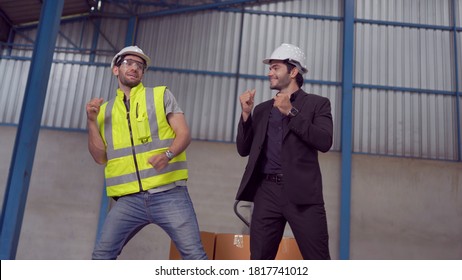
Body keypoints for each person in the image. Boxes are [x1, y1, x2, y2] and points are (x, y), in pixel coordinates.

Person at [86, 45, 207, 260]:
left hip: (169, 194)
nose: (134, 68)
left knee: (194, 257)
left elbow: (184, 134)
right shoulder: (105, 110)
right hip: (128, 200)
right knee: (101, 257)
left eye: (140, 65)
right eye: (128, 63)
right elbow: (99, 157)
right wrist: (92, 122)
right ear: (116, 69)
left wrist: (168, 155)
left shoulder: (160, 95)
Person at [236, 43, 333, 260]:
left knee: (318, 260)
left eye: (276, 68)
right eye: (270, 68)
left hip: (303, 195)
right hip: (266, 193)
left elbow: (325, 141)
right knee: (259, 261)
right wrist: (245, 115)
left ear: (293, 71)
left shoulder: (318, 105)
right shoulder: (261, 110)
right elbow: (243, 149)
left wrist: (291, 112)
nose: (270, 73)